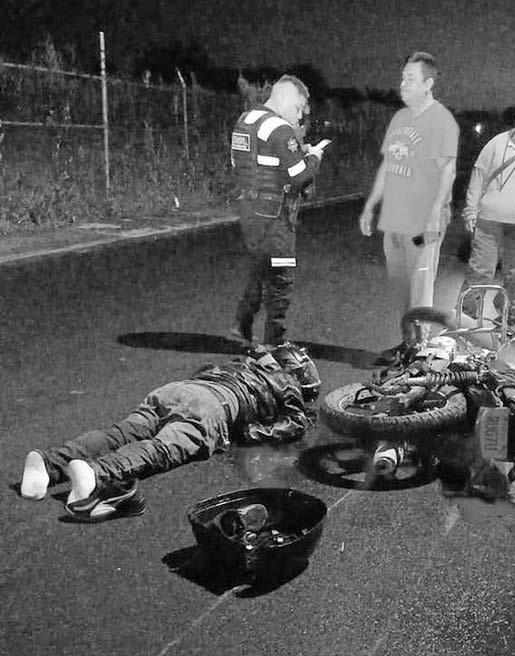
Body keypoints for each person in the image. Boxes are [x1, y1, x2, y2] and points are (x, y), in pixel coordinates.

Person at [19, 343, 320, 522]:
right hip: (214, 406)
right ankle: (96, 474)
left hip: (178, 390)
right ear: (293, 369)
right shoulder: (286, 382)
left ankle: (48, 463)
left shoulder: (244, 363)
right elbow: (294, 423)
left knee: (121, 433)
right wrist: (251, 431)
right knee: (165, 448)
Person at [359, 51, 459, 343]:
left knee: (420, 288)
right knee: (402, 287)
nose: (403, 84)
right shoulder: (400, 118)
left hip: (422, 220)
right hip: (394, 218)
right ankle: (407, 344)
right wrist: (370, 206)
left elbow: (448, 171)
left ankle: (421, 348)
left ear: (428, 84)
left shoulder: (441, 120)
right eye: (403, 78)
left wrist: (433, 217)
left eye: (411, 79)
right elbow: (388, 164)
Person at [230, 75, 327, 346]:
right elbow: (298, 176)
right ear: (283, 97)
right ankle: (275, 339)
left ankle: (241, 326)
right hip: (275, 215)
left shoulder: (245, 120)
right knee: (282, 276)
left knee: (259, 268)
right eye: (298, 107)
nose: (299, 116)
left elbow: (250, 162)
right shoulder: (279, 127)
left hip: (249, 210)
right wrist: (314, 158)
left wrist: (294, 155)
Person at [458, 98, 515, 326]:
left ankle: (506, 321)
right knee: (479, 271)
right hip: (489, 221)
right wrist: (471, 211)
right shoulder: (497, 143)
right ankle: (465, 319)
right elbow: (478, 175)